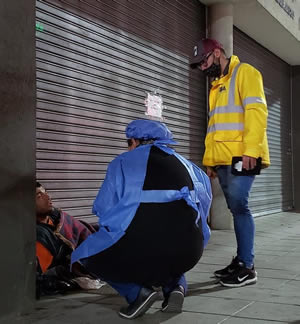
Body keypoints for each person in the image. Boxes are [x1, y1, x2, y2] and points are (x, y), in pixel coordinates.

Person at [71, 119, 212, 319]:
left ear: (136, 141)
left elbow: (104, 209)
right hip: (191, 250)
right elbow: (204, 208)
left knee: (86, 254)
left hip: (142, 249)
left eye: (128, 142)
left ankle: (138, 294)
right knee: (173, 249)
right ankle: (176, 287)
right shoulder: (190, 166)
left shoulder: (121, 163)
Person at [190, 38, 270, 287]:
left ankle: (248, 267)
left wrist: (252, 151)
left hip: (242, 157)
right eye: (199, 65)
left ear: (217, 53)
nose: (203, 68)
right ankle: (241, 261)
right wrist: (210, 161)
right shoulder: (217, 86)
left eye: (204, 61)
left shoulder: (245, 73)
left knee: (240, 206)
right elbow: (215, 128)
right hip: (223, 159)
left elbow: (257, 112)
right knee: (236, 209)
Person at [36, 182, 102, 296]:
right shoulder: (40, 235)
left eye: (45, 192)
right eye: (39, 196)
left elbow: (80, 229)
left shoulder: (57, 217)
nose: (48, 196)